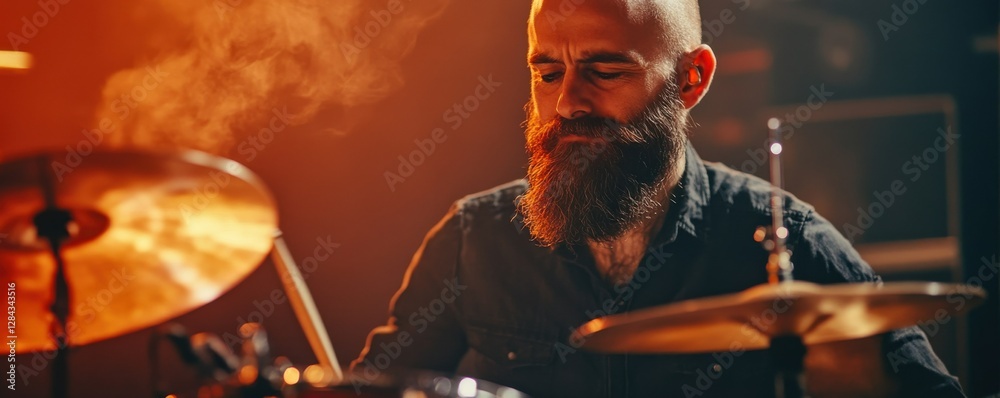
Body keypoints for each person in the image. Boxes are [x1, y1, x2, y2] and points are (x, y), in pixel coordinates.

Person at [351, 0, 964, 396]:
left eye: (606, 71)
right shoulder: (472, 241)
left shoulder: (790, 243)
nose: (567, 103)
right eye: (546, 73)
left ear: (691, 78)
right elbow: (374, 387)